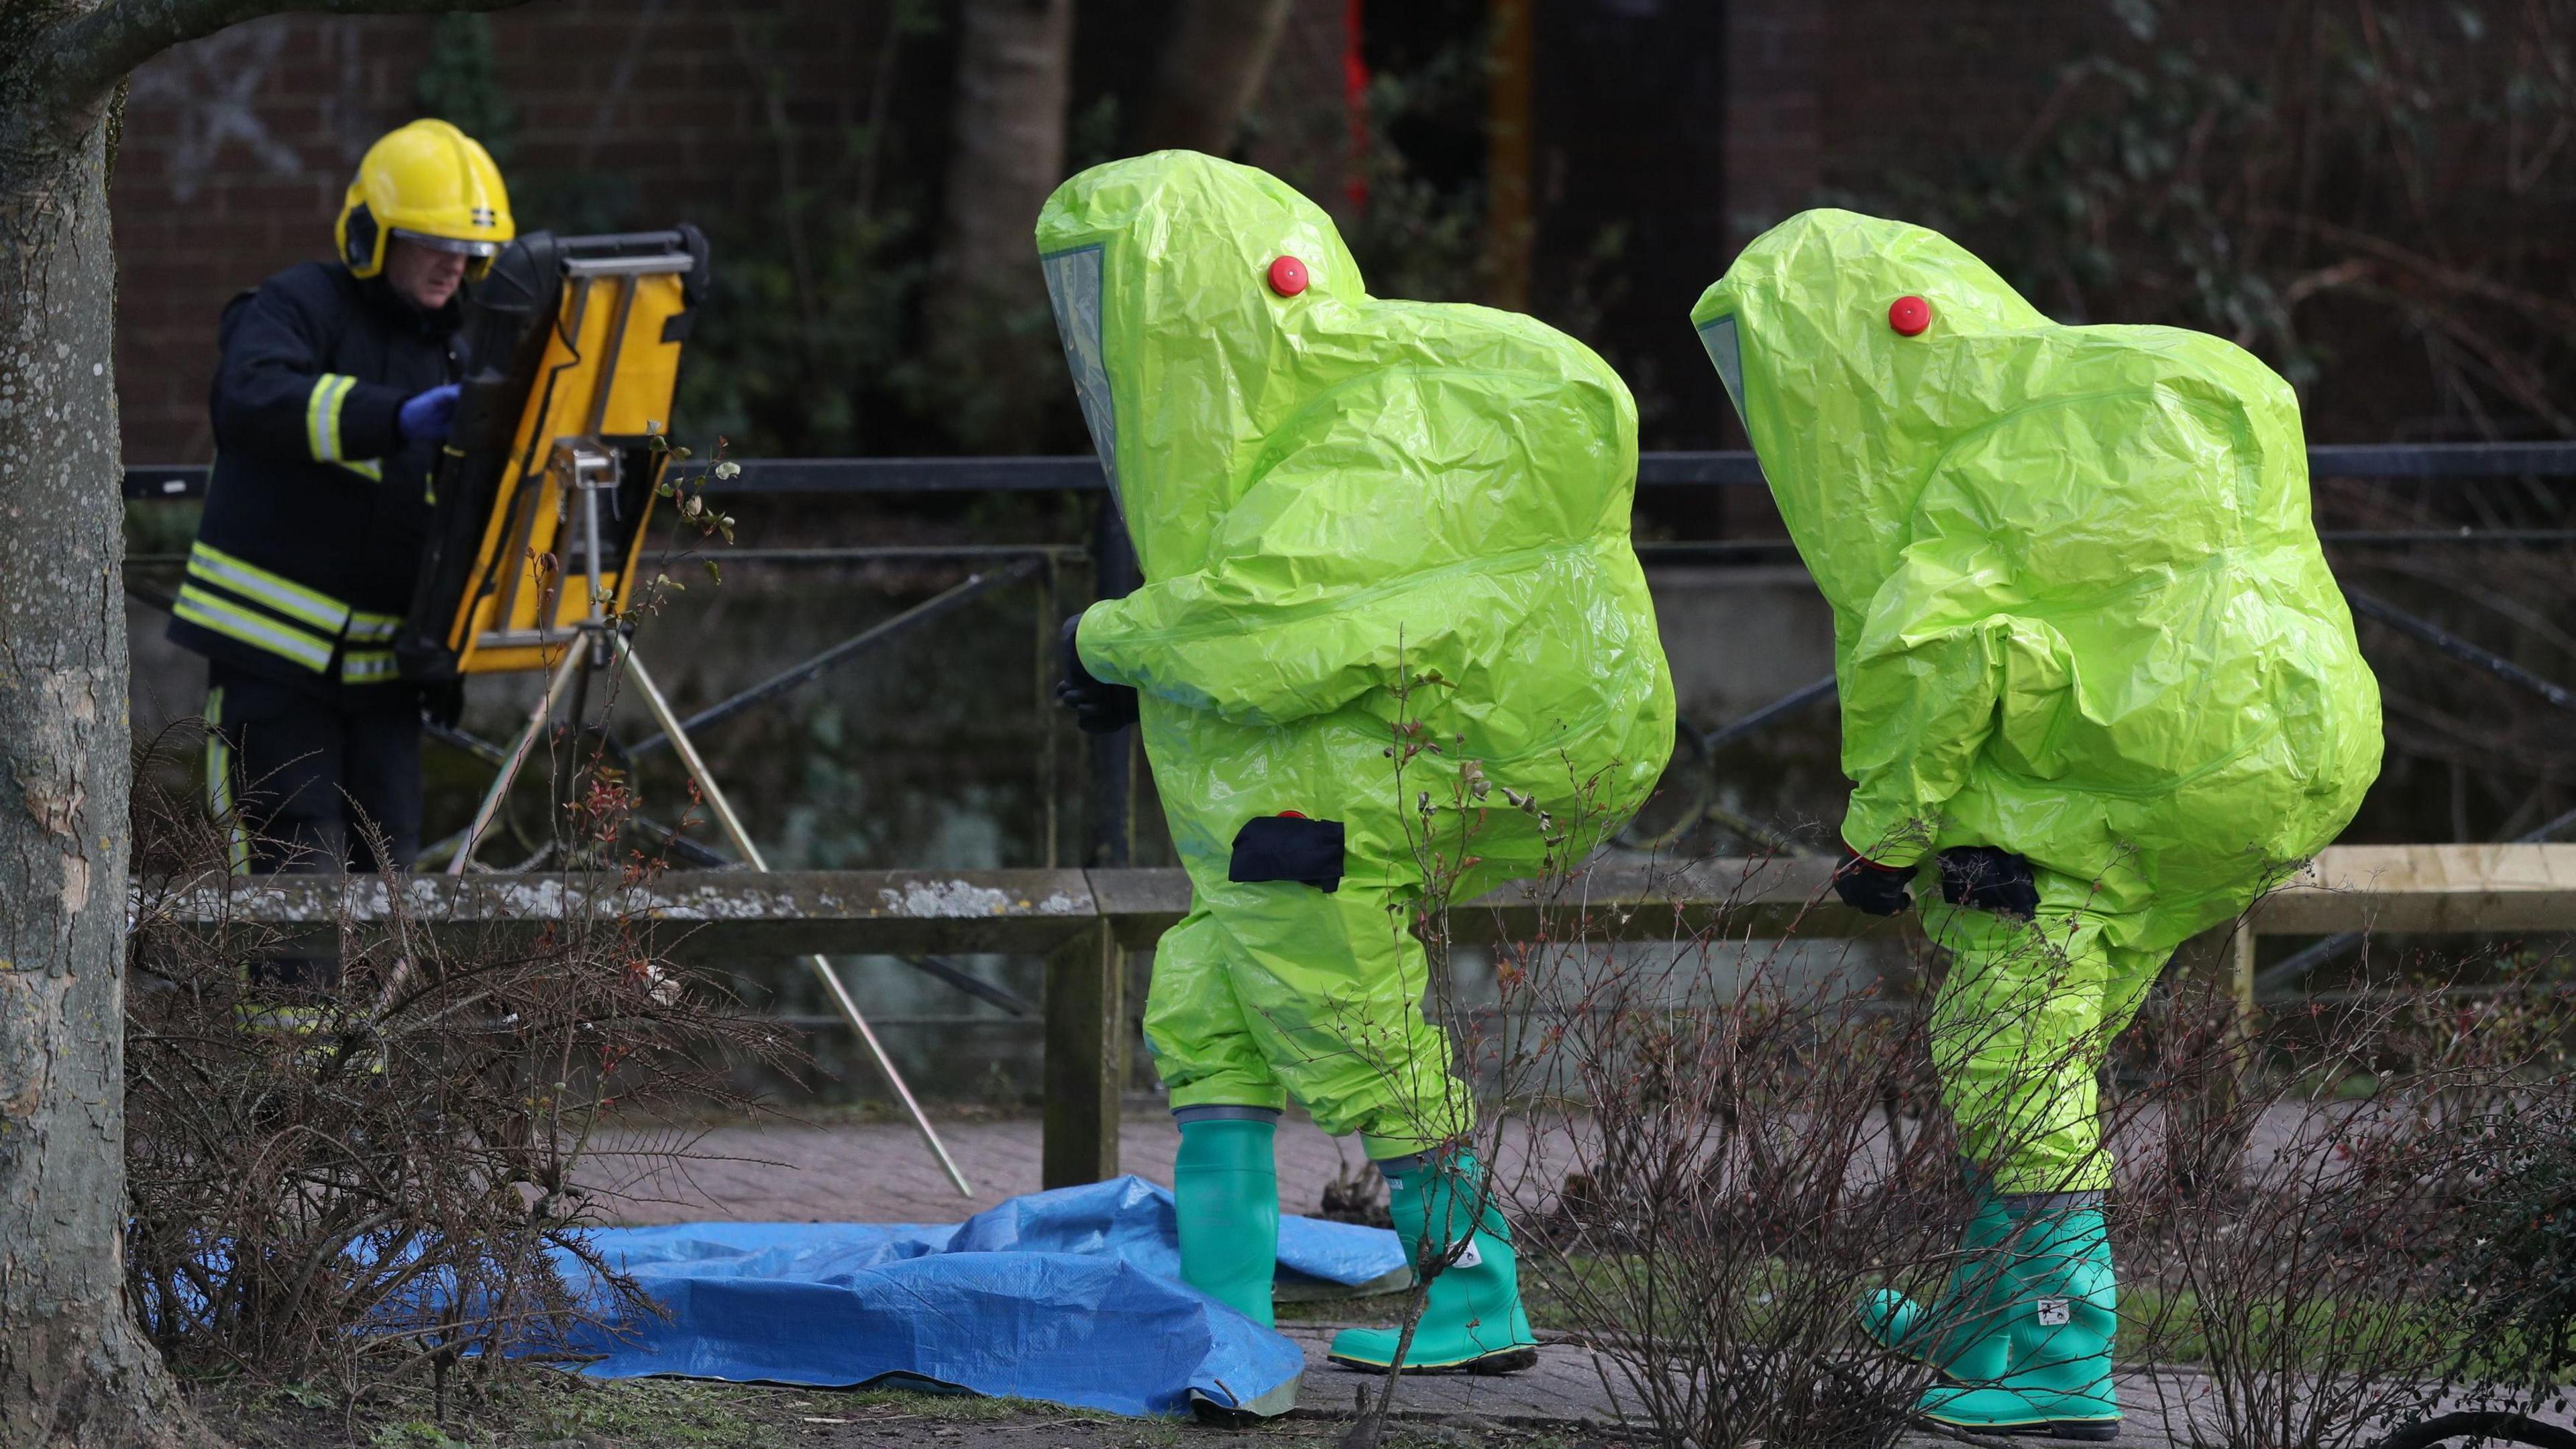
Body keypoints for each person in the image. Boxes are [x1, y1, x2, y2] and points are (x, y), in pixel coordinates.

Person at [1692, 209, 2382, 1438]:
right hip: (2260, 766)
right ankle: (1988, 1321)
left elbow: (1938, 670)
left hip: (2072, 812)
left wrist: (1883, 841)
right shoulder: (2092, 406)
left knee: (2013, 1055)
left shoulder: (1969, 474)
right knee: (2033, 1049)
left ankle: (2059, 1353)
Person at [1039, 152, 1674, 1379]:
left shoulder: (1365, 428)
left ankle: (1474, 1289)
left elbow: (1271, 622)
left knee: (1345, 1014)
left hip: (1353, 792)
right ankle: (1222, 1319)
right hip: (1333, 778)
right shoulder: (1330, 421)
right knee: (1212, 995)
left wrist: (1105, 638)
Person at [170, 119, 511, 890]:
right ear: (371, 235)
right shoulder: (299, 305)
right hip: (275, 671)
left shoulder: (453, 350)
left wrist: (446, 642)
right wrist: (391, 418)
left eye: (467, 248)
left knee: (387, 895)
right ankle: (278, 1021)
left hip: (385, 681)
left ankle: (367, 1022)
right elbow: (251, 398)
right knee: (293, 894)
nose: (453, 263)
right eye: (431, 241)